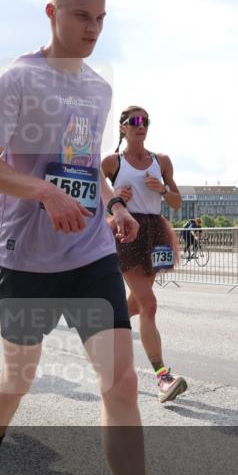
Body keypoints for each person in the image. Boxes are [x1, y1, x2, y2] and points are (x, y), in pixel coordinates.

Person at [0, 0, 207, 475]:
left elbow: (80, 164)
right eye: (81, 16)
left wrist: (114, 205)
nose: (93, 28)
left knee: (121, 383)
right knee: (17, 378)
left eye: (101, 18)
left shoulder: (98, 89)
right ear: (52, 14)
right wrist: (44, 193)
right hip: (27, 257)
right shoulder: (16, 78)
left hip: (92, 252)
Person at [101, 105, 187, 403]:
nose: (141, 125)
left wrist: (162, 189)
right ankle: (163, 376)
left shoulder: (161, 161)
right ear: (122, 127)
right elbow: (92, 198)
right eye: (135, 121)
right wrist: (115, 200)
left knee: (139, 302)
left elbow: (176, 203)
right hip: (126, 230)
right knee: (148, 304)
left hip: (155, 232)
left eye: (145, 121)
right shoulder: (112, 162)